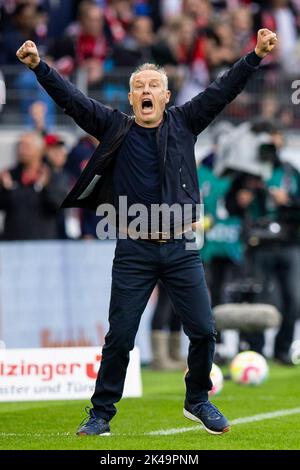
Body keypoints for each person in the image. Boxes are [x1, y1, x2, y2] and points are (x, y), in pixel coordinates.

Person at [16, 28, 277, 436]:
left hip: (181, 248)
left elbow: (224, 89)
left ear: (167, 96)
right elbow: (72, 100)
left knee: (205, 331)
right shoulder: (114, 126)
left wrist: (255, 55)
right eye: (140, 86)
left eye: (155, 84)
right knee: (120, 336)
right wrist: (39, 67)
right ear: (132, 97)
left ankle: (198, 400)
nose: (147, 90)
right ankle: (101, 413)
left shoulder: (187, 121)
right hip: (134, 249)